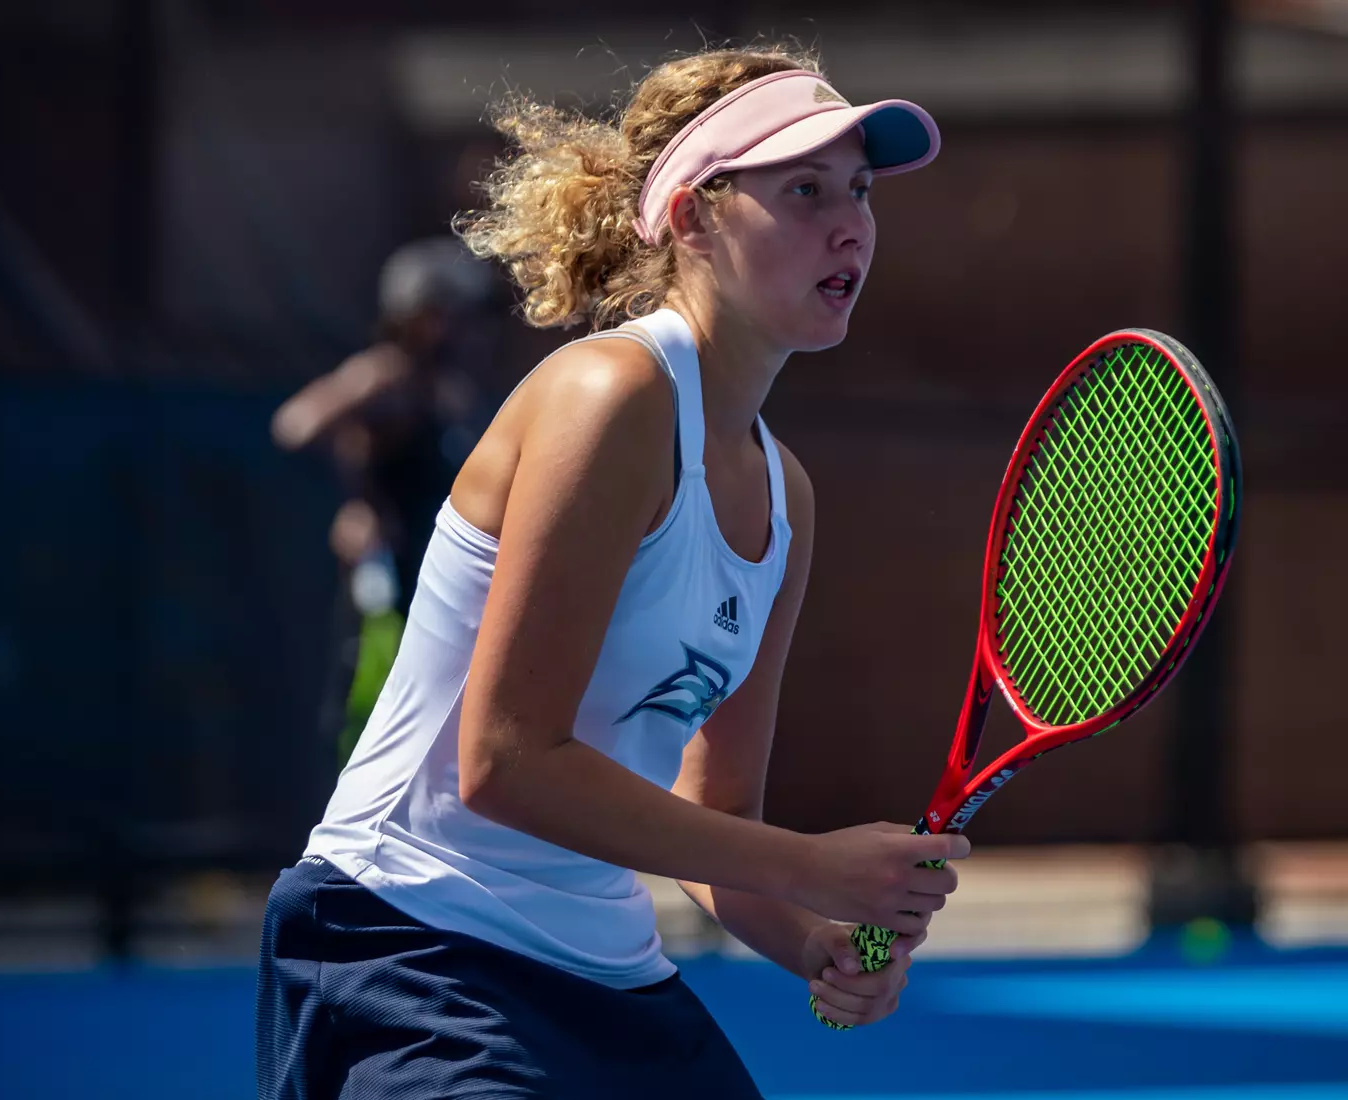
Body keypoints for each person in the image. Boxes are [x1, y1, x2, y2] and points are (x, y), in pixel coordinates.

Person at [256, 44, 968, 1099]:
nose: (849, 221)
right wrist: (810, 863)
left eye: (858, 190)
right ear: (691, 217)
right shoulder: (609, 396)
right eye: (803, 188)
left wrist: (810, 934)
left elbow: (715, 813)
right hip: (406, 933)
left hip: (599, 967)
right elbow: (504, 759)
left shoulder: (788, 498)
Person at [271, 240, 510, 761]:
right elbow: (298, 426)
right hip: (386, 590)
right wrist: (359, 501)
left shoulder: (450, 390)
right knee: (374, 717)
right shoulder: (384, 375)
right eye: (451, 315)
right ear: (419, 316)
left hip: (438, 585)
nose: (467, 330)